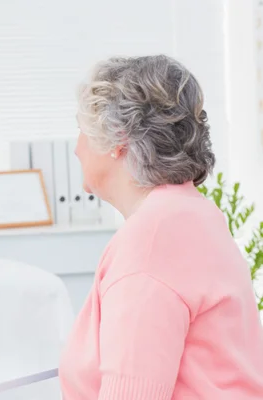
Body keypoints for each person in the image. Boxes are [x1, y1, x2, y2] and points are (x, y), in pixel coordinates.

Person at [59, 55, 263, 399]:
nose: (77, 148)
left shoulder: (150, 245)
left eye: (81, 127)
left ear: (118, 139)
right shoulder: (191, 213)